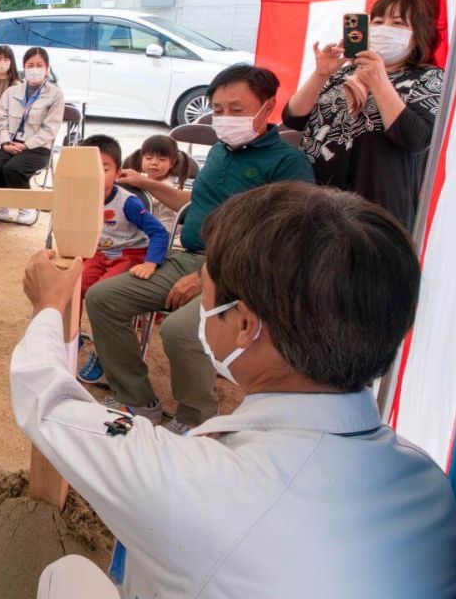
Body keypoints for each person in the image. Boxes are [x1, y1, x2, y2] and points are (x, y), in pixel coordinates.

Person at [18, 183, 456, 599]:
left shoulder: (201, 482)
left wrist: (49, 308)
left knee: (66, 576)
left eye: (206, 302)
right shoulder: (428, 483)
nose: (201, 313)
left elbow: (48, 402)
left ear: (246, 326)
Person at [81, 65, 313, 431]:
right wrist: (146, 183)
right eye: (217, 109)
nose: (224, 118)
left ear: (267, 108)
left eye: (236, 110)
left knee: (180, 330)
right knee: (101, 296)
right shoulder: (221, 152)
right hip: (188, 257)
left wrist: (210, 276)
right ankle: (138, 400)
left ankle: (195, 417)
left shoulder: (288, 164)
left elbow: (282, 245)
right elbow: (193, 206)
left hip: (239, 275)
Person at [282, 0, 444, 229]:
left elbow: (416, 138)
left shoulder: (428, 77)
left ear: (418, 34)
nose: (384, 28)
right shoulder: (345, 72)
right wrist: (320, 74)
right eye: (378, 21)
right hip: (316, 199)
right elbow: (294, 118)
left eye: (398, 23)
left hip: (376, 208)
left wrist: (379, 81)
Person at [77, 135, 169, 306]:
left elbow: (159, 232)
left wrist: (150, 263)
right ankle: (72, 332)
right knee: (76, 285)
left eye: (104, 169)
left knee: (103, 292)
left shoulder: (128, 202)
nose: (96, 175)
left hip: (129, 254)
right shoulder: (79, 197)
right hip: (98, 253)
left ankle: (149, 308)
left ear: (117, 173)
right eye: (90, 168)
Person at [0, 47, 65, 225]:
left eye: (39, 65)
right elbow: (2, 122)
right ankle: (3, 205)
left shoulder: (55, 95)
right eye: (30, 65)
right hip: (9, 142)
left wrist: (25, 145)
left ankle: (26, 207)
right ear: (24, 67)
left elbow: (50, 129)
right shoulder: (12, 92)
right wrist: (5, 142)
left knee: (13, 169)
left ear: (47, 68)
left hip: (37, 147)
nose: (34, 69)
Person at [120, 134, 194, 230]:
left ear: (172, 163)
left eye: (162, 159)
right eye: (149, 158)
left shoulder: (166, 190)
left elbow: (168, 223)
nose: (154, 163)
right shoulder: (138, 180)